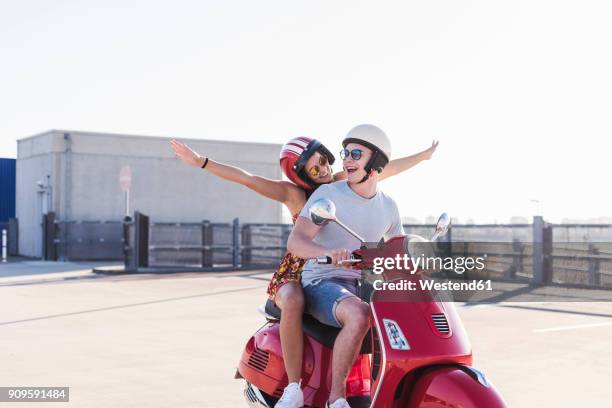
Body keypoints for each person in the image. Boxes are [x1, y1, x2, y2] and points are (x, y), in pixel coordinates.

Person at [170, 133, 437, 408]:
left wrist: (421, 157)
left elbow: (382, 169)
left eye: (323, 161)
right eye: (313, 168)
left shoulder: (340, 182)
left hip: (338, 268)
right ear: (300, 175)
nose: (322, 170)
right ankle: (294, 387)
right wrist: (201, 162)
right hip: (297, 269)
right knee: (295, 299)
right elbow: (248, 178)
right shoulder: (293, 193)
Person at [287, 124, 404, 408]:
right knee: (359, 314)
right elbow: (296, 241)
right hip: (322, 281)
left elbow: (398, 250)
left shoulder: (389, 206)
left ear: (375, 163)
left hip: (362, 284)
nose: (346, 160)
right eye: (345, 153)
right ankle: (335, 398)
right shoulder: (329, 195)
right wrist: (327, 252)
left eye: (355, 154)